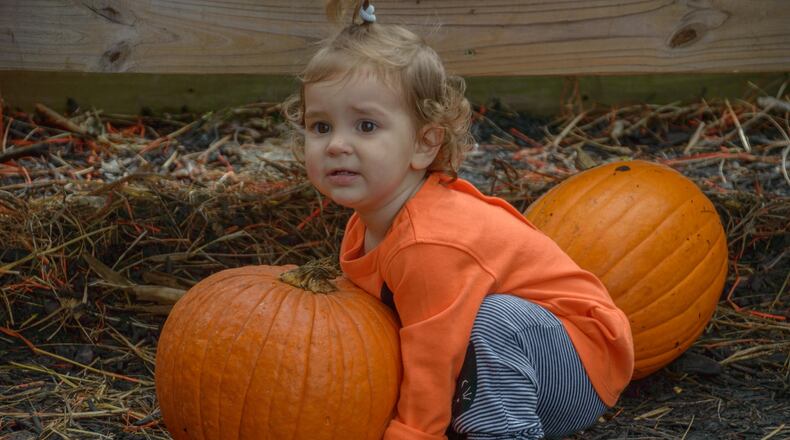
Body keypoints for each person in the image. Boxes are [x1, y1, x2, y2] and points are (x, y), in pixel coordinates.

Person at [283, 1, 635, 439]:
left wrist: (413, 432)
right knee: (470, 329)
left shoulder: (428, 242)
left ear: (424, 144)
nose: (336, 145)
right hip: (499, 366)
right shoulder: (367, 223)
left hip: (576, 363)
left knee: (493, 320)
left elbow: (433, 354)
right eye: (320, 127)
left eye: (366, 126)